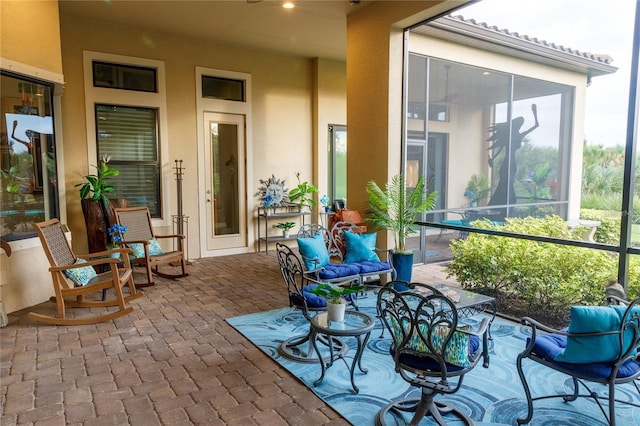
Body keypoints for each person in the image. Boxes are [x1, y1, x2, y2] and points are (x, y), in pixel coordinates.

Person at [487, 104, 539, 209]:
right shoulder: (514, 136)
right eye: (520, 124)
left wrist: (535, 113)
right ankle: (504, 203)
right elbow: (501, 148)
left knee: (508, 182)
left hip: (511, 162)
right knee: (505, 182)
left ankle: (504, 203)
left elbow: (536, 125)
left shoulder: (516, 135)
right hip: (508, 162)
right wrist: (492, 159)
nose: (520, 126)